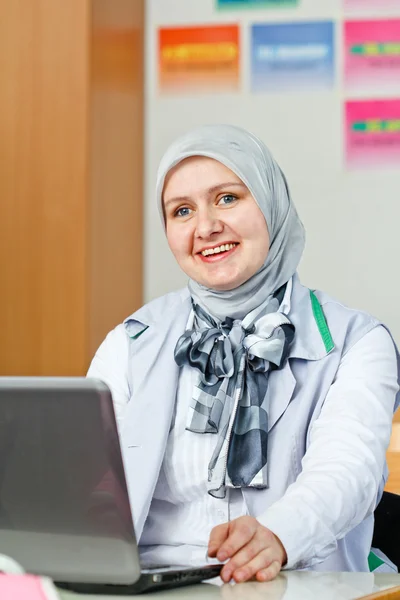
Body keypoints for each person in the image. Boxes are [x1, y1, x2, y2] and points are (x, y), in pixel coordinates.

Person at [88, 124, 400, 583]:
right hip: (147, 587)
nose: (206, 226)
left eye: (228, 198)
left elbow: (346, 471)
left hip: (292, 582)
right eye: (182, 211)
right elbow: (86, 482)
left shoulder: (357, 341)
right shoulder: (132, 342)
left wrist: (278, 535)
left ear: (271, 203)